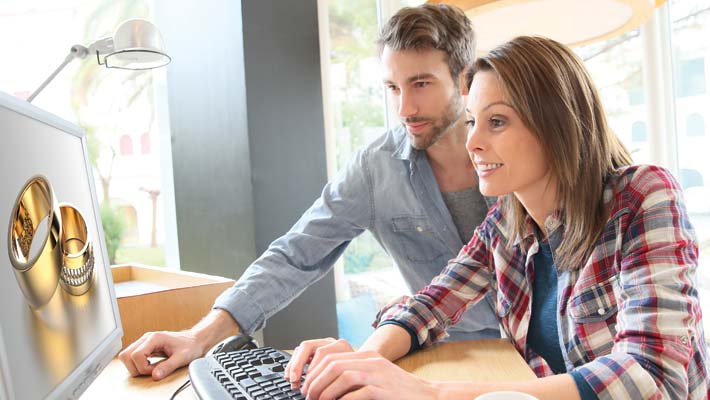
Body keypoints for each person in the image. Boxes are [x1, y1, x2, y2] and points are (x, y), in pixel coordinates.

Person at [286, 36, 710, 400]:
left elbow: (653, 374)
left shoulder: (643, 196)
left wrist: (431, 393)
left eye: (496, 122)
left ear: (557, 125)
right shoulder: (506, 223)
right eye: (472, 120)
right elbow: (432, 304)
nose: (471, 141)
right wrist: (364, 363)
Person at [118, 4, 503, 381]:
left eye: (420, 84)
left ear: (465, 79)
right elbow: (294, 255)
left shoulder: (518, 153)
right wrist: (198, 337)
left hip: (540, 357)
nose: (404, 108)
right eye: (392, 87)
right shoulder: (375, 169)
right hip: (441, 361)